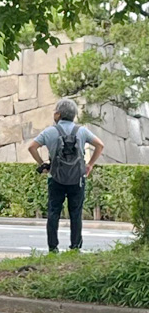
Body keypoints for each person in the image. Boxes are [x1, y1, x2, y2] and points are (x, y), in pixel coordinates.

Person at [28, 98, 105, 253]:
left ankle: (53, 248)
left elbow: (32, 147)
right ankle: (75, 247)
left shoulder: (50, 131)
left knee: (53, 212)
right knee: (76, 213)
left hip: (55, 178)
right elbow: (100, 145)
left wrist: (42, 164)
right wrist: (89, 165)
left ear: (58, 114)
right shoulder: (81, 131)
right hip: (77, 179)